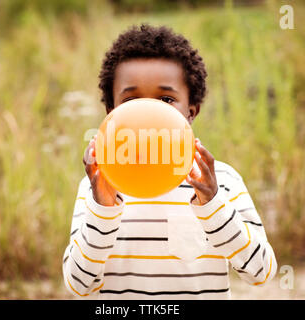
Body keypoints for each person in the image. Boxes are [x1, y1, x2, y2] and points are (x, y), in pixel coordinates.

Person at [62, 24, 277, 299]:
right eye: (132, 99)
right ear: (111, 112)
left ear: (191, 111)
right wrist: (103, 210)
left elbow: (261, 273)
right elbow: (78, 285)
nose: (148, 111)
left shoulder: (221, 181)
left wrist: (213, 206)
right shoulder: (97, 188)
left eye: (166, 98)